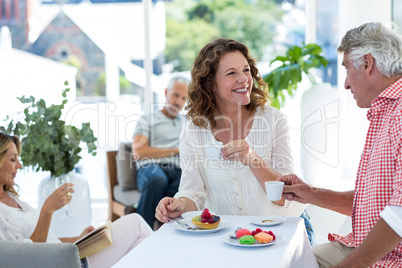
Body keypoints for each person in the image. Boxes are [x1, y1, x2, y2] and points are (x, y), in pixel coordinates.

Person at [155, 38, 313, 243]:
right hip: (231, 237)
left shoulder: (273, 120)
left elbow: (285, 195)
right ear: (210, 84)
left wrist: (252, 159)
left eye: (246, 70)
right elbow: (192, 191)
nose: (244, 79)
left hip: (284, 229)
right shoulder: (194, 130)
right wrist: (178, 206)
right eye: (231, 73)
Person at [279, 22, 402, 268]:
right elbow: (375, 201)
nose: (346, 84)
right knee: (285, 260)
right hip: (360, 244)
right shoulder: (386, 110)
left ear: (367, 64)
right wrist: (310, 194)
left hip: (390, 258)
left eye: (347, 69)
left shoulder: (399, 113)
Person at [0, 132, 153, 268]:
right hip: (68, 263)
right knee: (137, 224)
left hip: (69, 254)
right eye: (13, 159)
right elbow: (25, 257)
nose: (19, 165)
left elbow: (48, 242)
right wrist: (47, 211)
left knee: (138, 245)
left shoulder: (12, 198)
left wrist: (79, 238)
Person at [132, 76, 189, 228]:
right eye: (175, 95)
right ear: (166, 92)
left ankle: (169, 233)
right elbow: (138, 152)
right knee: (158, 181)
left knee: (186, 186)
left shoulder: (187, 122)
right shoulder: (148, 118)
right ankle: (141, 232)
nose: (178, 102)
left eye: (183, 98)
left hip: (178, 169)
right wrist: (175, 151)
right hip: (151, 167)